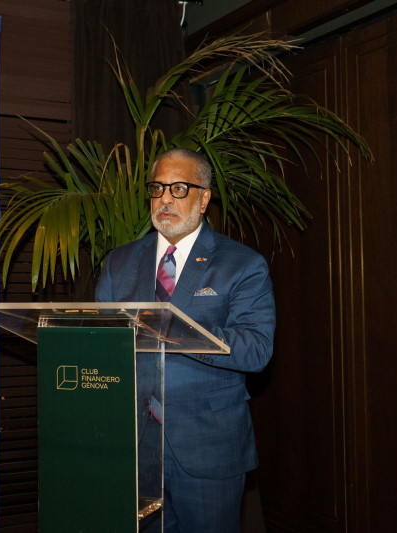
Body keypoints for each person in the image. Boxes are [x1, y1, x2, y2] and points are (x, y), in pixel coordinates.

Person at [95, 148, 276, 533]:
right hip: (135, 446)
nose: (165, 199)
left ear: (204, 198)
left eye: (179, 188)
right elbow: (100, 344)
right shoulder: (120, 262)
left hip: (208, 447)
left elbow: (256, 349)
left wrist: (177, 329)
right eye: (157, 188)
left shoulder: (242, 264)